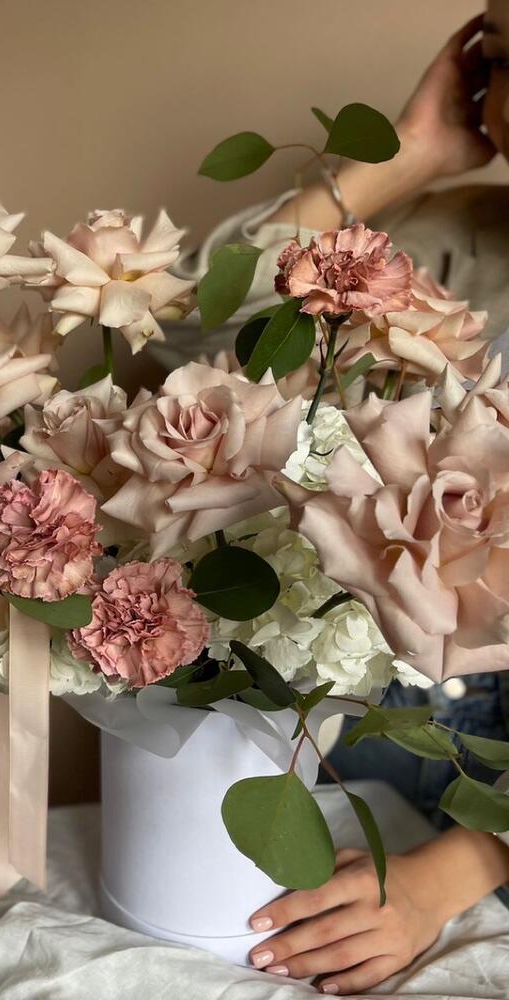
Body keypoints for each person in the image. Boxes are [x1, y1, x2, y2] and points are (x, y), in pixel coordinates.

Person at [153, 8, 509, 996]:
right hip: (337, 745)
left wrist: (455, 870)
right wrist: (407, 156)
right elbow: (188, 342)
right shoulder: (453, 245)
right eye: (507, 63)